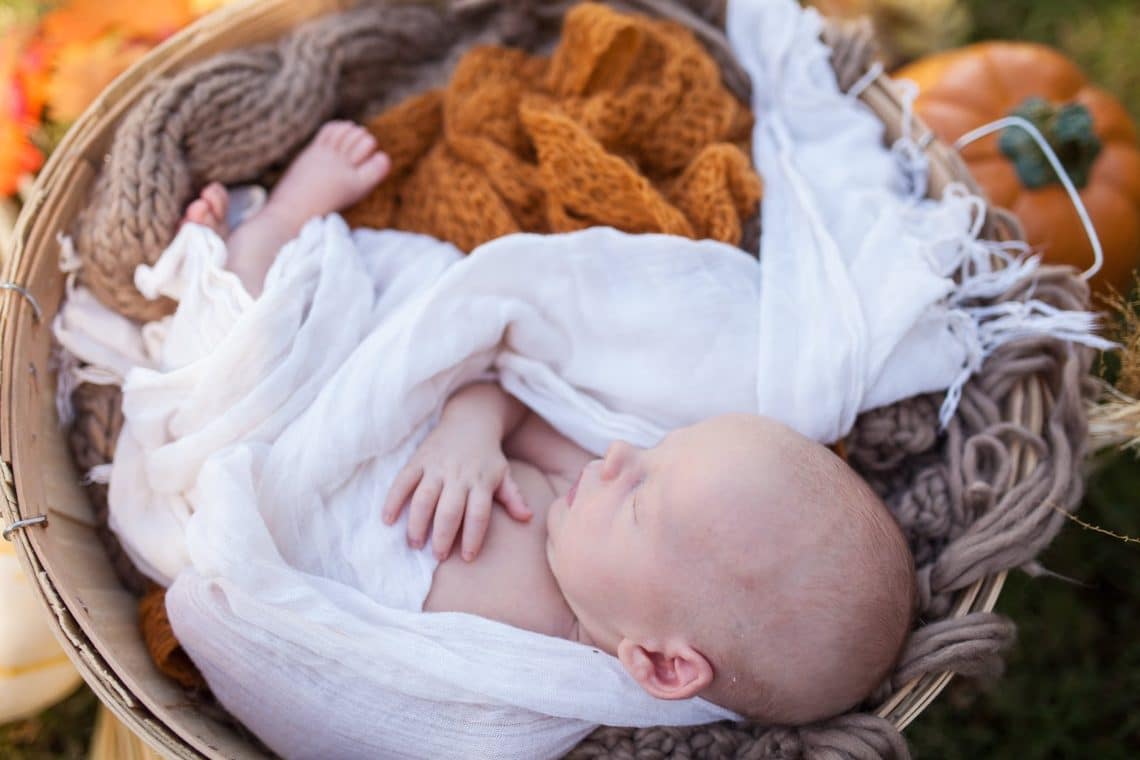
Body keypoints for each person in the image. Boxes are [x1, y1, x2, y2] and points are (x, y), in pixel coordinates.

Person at [181, 119, 916, 725]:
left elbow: (362, 690)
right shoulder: (577, 481)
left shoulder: (539, 690)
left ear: (662, 663)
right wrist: (467, 435)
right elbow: (506, 387)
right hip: (355, 404)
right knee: (277, 344)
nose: (621, 454)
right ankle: (279, 227)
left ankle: (240, 272)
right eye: (658, 449)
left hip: (291, 505)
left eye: (639, 498)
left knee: (223, 401)